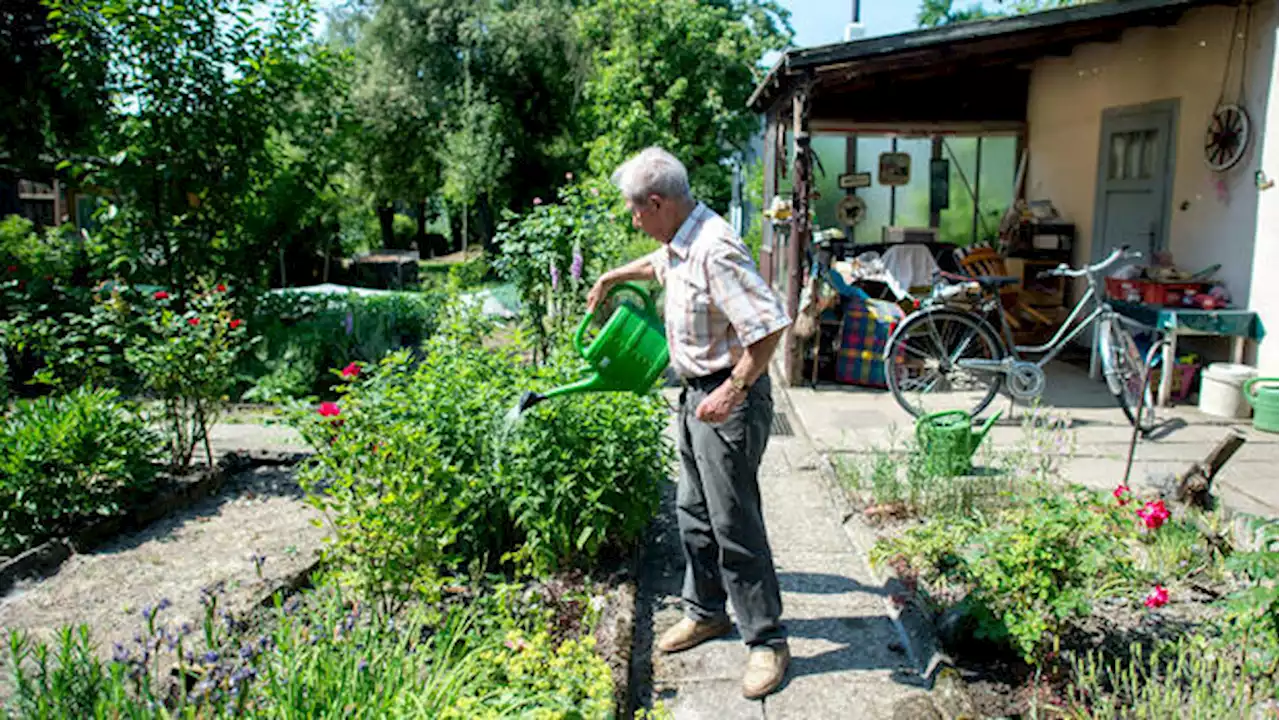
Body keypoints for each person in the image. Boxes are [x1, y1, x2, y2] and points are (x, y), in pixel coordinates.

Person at [587, 147, 792, 699]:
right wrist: (611, 276)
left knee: (734, 523)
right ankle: (706, 612)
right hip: (694, 395)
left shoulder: (715, 248)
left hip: (728, 397)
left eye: (635, 211)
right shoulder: (678, 242)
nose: (633, 221)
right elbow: (657, 266)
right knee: (693, 513)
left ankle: (767, 641)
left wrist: (733, 389)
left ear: (657, 203)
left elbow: (769, 327)